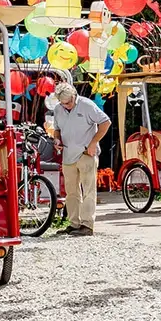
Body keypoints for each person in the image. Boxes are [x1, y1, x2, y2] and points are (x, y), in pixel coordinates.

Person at [50, 83, 110, 236]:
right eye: (64, 104)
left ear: (74, 96)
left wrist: (93, 143)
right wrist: (56, 140)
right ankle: (74, 223)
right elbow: (57, 129)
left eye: (69, 102)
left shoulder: (87, 105)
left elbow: (106, 122)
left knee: (88, 190)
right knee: (71, 192)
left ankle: (87, 224)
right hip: (68, 155)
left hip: (86, 153)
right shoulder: (58, 109)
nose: (67, 106)